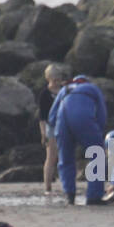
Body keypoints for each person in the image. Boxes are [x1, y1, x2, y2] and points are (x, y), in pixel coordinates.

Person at [46, 74, 108, 206]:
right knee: (97, 156)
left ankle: (70, 195)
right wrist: (98, 130)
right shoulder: (93, 88)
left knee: (66, 159)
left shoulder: (64, 89)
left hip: (62, 122)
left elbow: (51, 116)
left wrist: (56, 131)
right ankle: (94, 197)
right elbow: (102, 114)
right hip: (83, 119)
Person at [39, 65, 68, 194]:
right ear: (48, 79)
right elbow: (42, 116)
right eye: (54, 79)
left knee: (65, 156)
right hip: (50, 126)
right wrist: (43, 133)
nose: (57, 82)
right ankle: (47, 187)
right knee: (51, 157)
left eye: (58, 79)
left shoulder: (65, 90)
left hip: (64, 125)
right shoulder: (44, 94)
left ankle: (66, 185)